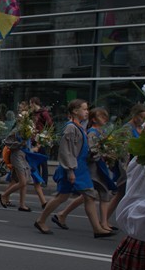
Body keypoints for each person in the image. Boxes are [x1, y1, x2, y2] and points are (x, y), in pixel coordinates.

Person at [33, 99, 114, 237]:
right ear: (75, 111)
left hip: (80, 168)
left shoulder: (79, 127)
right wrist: (70, 171)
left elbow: (81, 149)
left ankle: (97, 229)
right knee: (63, 197)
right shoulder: (71, 128)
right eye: (84, 109)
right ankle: (41, 220)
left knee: (85, 196)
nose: (87, 112)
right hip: (73, 168)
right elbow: (66, 151)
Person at [51, 108, 116, 233]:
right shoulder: (88, 131)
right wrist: (103, 153)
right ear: (93, 119)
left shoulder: (95, 131)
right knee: (94, 194)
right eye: (102, 116)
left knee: (89, 195)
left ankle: (62, 215)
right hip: (91, 169)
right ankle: (101, 224)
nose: (105, 119)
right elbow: (83, 151)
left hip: (93, 168)